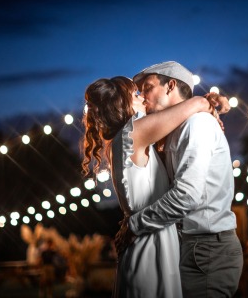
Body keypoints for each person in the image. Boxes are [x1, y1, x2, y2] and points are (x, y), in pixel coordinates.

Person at [81, 75, 224, 298]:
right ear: (123, 103)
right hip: (149, 243)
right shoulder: (133, 134)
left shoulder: (122, 139)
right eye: (136, 94)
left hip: (147, 236)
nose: (143, 98)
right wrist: (209, 103)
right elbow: (196, 103)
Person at [117, 61, 243, 297]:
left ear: (170, 85)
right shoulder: (177, 127)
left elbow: (187, 195)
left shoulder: (198, 124)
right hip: (191, 245)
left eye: (148, 88)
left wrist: (134, 225)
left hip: (206, 249)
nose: (142, 97)